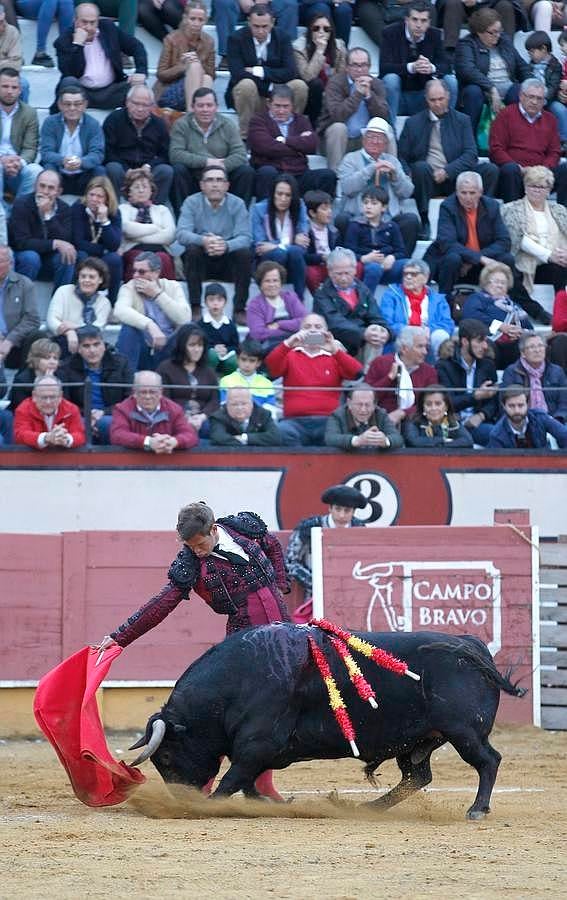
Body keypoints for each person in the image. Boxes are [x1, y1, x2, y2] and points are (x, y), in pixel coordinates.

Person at [93, 499, 291, 800]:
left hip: (284, 633)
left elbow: (273, 545)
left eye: (200, 544)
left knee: (269, 711)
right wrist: (120, 637)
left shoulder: (243, 527)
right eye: (190, 545)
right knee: (235, 713)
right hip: (245, 641)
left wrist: (281, 581)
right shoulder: (190, 563)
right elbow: (162, 604)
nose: (196, 551)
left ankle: (261, 785)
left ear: (214, 529)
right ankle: (204, 781)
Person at [398, 79, 499, 240]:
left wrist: (447, 171)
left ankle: (482, 219)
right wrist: (407, 172)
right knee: (420, 167)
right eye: (433, 100)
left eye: (441, 99)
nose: (437, 104)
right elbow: (401, 156)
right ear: (426, 99)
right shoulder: (413, 123)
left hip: (457, 177)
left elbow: (471, 154)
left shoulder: (462, 120)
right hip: (427, 180)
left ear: (448, 97)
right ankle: (425, 220)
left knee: (490, 170)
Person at [265, 311, 363, 446]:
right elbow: (271, 367)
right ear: (299, 331)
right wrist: (288, 343)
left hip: (329, 421)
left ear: (327, 332)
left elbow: (356, 372)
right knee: (280, 431)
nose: (312, 330)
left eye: (318, 327)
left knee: (342, 434)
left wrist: (335, 351)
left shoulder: (335, 355)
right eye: (307, 327)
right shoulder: (290, 355)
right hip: (294, 422)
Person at [423, 171, 517, 307]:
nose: (467, 197)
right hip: (454, 267)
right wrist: (479, 258)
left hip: (479, 266)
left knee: (507, 259)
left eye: (472, 193)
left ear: (480, 192)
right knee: (452, 258)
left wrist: (476, 259)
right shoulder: (448, 206)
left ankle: (507, 305)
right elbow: (447, 243)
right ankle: (444, 305)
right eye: (463, 192)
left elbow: (504, 241)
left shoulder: (491, 206)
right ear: (456, 192)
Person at [176, 164, 253, 323]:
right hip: (201, 261)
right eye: (210, 180)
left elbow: (245, 237)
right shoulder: (191, 202)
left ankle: (239, 309)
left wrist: (226, 245)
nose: (215, 184)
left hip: (227, 261)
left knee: (244, 253)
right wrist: (203, 241)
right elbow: (181, 234)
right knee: (192, 250)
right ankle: (196, 306)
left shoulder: (237, 204)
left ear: (227, 185)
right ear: (202, 185)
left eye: (219, 180)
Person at [337, 117, 419, 257]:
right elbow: (347, 188)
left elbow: (408, 191)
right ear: (363, 139)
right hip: (359, 216)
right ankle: (352, 262)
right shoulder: (350, 159)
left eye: (380, 138)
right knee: (342, 219)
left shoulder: (392, 161)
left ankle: (401, 262)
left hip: (387, 218)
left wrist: (394, 175)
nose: (375, 141)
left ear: (386, 143)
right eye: (371, 137)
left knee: (411, 220)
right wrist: (370, 169)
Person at [225, 4, 307, 141]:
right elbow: (237, 74)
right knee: (245, 84)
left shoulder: (283, 37)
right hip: (251, 97)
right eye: (256, 26)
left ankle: (290, 133)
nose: (261, 31)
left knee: (299, 86)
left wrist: (260, 71)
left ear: (272, 23)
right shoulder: (236, 39)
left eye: (265, 26)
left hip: (278, 97)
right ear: (249, 22)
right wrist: (270, 86)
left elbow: (290, 71)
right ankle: (246, 137)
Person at [169, 87, 255, 213]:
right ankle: (183, 216)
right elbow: (176, 154)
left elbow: (240, 155)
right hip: (193, 177)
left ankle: (238, 215)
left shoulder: (228, 125)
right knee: (177, 170)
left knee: (246, 172)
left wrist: (219, 168)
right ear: (193, 107)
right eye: (200, 105)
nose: (205, 110)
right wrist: (207, 162)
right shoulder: (182, 125)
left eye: (209, 105)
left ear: (216, 107)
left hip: (223, 178)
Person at [248, 83, 336, 201]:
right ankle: (266, 216)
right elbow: (265, 147)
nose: (281, 110)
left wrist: (284, 140)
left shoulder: (301, 121)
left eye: (286, 106)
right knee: (266, 172)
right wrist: (298, 146)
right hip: (273, 172)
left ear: (292, 106)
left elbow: (311, 145)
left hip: (299, 173)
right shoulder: (258, 120)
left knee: (328, 176)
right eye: (277, 106)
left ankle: (318, 215)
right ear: (269, 104)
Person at [54, 2, 148, 110]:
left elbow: (136, 46)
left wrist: (141, 71)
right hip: (80, 95)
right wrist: (78, 45)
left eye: (92, 22)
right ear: (75, 20)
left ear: (98, 21)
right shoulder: (64, 40)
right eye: (84, 22)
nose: (88, 27)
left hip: (111, 91)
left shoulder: (108, 28)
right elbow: (70, 73)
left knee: (139, 86)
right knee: (68, 83)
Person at [489, 78, 567, 206]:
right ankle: (514, 214)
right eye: (531, 97)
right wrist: (520, 168)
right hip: (516, 173)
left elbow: (554, 152)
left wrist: (543, 169)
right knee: (510, 169)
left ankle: (563, 216)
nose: (534, 102)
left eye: (539, 99)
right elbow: (496, 149)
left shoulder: (550, 119)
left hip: (542, 173)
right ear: (521, 96)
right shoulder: (505, 115)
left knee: (565, 169)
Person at [285, 483, 366, 601]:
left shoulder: (360, 530)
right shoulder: (310, 527)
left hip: (351, 593)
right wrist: (315, 583)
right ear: (330, 508)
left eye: (347, 510)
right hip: (315, 594)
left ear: (354, 512)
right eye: (338, 509)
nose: (341, 515)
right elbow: (291, 562)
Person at [454, 7, 530, 133]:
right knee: (473, 92)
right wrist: (491, 88)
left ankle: (518, 140)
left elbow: (521, 66)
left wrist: (531, 84)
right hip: (482, 92)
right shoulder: (467, 44)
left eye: (499, 31)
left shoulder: (504, 41)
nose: (497, 36)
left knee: (521, 91)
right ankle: (470, 139)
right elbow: (467, 70)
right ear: (479, 31)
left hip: (508, 89)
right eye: (492, 32)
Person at [379, 0, 457, 121]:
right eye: (414, 19)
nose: (419, 25)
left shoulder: (435, 34)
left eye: (423, 21)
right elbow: (384, 68)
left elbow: (447, 66)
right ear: (406, 20)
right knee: (390, 79)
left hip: (424, 98)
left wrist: (431, 68)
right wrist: (411, 67)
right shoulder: (390, 33)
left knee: (451, 81)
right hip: (398, 97)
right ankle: (391, 132)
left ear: (429, 22)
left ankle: (445, 127)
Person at [114, 250, 191, 371]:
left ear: (156, 273)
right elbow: (120, 310)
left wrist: (157, 294)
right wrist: (150, 325)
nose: (135, 276)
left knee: (189, 329)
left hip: (169, 347)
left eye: (141, 272)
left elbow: (184, 318)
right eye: (134, 271)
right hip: (143, 347)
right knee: (128, 329)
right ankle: (126, 383)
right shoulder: (129, 287)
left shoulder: (172, 286)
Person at [317, 46, 390, 171]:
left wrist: (369, 96)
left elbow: (384, 116)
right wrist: (357, 94)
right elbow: (337, 115)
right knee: (338, 128)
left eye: (364, 65)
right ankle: (335, 177)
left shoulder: (376, 84)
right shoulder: (335, 83)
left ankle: (390, 173)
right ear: (347, 67)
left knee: (387, 131)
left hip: (364, 140)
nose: (360, 69)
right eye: (355, 65)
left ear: (370, 66)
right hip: (337, 141)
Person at [58, 324, 133, 444]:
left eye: (96, 344)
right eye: (86, 346)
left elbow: (129, 399)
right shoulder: (66, 368)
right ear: (78, 349)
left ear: (104, 345)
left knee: (106, 423)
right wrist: (88, 414)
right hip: (79, 415)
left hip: (113, 413)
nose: (92, 350)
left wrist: (104, 412)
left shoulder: (121, 363)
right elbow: (64, 402)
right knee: (82, 425)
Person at [313, 247, 391, 361]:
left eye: (347, 273)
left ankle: (369, 378)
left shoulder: (363, 289)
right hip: (336, 339)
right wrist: (364, 333)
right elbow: (335, 323)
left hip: (360, 340)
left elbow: (376, 316)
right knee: (334, 344)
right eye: (338, 274)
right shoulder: (322, 293)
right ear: (329, 272)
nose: (343, 278)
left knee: (377, 335)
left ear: (355, 270)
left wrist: (385, 332)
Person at [103, 84, 173, 208]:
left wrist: (149, 167)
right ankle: (115, 209)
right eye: (136, 103)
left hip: (148, 171)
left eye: (145, 105)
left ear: (152, 106)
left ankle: (154, 210)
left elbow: (165, 154)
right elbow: (108, 151)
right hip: (122, 169)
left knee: (166, 171)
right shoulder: (114, 119)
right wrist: (126, 169)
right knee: (112, 168)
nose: (140, 109)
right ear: (127, 102)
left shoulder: (159, 124)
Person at [501, 166, 567, 298]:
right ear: (525, 188)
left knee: (561, 267)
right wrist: (549, 255)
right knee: (558, 269)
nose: (537, 190)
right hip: (527, 261)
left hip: (559, 259)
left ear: (549, 190)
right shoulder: (511, 209)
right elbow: (519, 239)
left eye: (542, 187)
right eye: (532, 185)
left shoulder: (560, 210)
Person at [436, 318, 500, 445]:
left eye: (486, 341)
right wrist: (475, 396)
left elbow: (494, 401)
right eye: (480, 341)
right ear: (465, 342)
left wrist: (481, 415)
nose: (485, 346)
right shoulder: (444, 366)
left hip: (479, 423)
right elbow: (446, 402)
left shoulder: (487, 364)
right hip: (451, 424)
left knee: (497, 435)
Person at [9, 170, 76, 291]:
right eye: (42, 186)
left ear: (59, 191)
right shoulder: (22, 204)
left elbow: (66, 239)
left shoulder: (64, 208)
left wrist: (48, 216)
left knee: (67, 255)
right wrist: (53, 243)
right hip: (23, 258)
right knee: (31, 257)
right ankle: (20, 299)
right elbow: (22, 242)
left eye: (51, 188)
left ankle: (59, 303)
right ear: (35, 186)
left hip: (48, 260)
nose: (45, 191)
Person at [461, 261, 533, 368]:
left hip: (512, 344)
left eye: (503, 283)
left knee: (527, 344)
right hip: (489, 339)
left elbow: (529, 327)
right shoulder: (478, 298)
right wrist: (500, 326)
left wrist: (519, 332)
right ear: (486, 282)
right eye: (496, 281)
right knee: (487, 346)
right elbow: (471, 316)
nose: (499, 285)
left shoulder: (514, 306)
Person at [379, 259, 455, 359]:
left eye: (413, 274)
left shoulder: (438, 299)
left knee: (440, 335)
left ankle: (438, 370)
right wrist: (413, 331)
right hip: (402, 337)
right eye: (405, 274)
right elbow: (387, 322)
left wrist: (429, 330)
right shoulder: (391, 295)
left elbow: (447, 323)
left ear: (425, 277)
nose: (408, 277)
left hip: (429, 337)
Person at [39, 84, 105, 196]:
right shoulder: (50, 123)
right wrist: (62, 160)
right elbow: (46, 153)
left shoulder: (93, 124)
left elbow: (97, 154)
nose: (72, 108)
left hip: (83, 173)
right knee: (48, 168)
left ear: (85, 105)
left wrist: (81, 162)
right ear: (59, 105)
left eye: (77, 104)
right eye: (67, 104)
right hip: (59, 172)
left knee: (99, 171)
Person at [110, 369, 199, 452]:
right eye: (143, 392)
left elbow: (190, 435)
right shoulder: (122, 409)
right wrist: (148, 442)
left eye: (152, 392)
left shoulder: (175, 409)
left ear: (160, 392)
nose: (148, 397)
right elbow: (117, 435)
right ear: (134, 392)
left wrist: (174, 442)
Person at [251, 174, 309, 300]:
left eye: (288, 195)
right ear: (273, 194)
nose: (283, 198)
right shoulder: (259, 209)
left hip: (293, 262)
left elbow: (303, 244)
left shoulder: (300, 206)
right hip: (266, 262)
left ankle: (299, 300)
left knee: (295, 252)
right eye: (279, 194)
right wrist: (291, 241)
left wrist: (277, 245)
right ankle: (273, 298)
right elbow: (260, 245)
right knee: (279, 254)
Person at [157, 322, 219, 438]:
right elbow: (163, 399)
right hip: (173, 418)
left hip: (202, 419)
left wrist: (202, 417)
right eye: (192, 345)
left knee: (211, 427)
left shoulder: (209, 371)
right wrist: (183, 417)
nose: (197, 350)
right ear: (182, 346)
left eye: (200, 346)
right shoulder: (165, 368)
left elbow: (214, 401)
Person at [366, 325, 438, 426]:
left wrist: (403, 413)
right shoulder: (380, 363)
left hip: (416, 422)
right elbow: (367, 398)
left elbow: (431, 403)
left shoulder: (429, 372)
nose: (425, 352)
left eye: (426, 347)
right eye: (420, 346)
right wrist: (389, 378)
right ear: (404, 349)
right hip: (379, 420)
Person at [344, 185, 410, 296]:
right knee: (374, 268)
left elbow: (401, 251)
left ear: (383, 207)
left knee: (410, 264)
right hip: (366, 267)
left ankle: (404, 302)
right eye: (365, 203)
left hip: (387, 266)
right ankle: (365, 305)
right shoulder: (355, 225)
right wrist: (364, 258)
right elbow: (348, 252)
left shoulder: (391, 226)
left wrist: (392, 257)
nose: (368, 207)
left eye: (374, 203)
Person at [154, 1, 214, 114]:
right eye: (193, 19)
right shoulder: (171, 39)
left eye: (200, 20)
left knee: (206, 77)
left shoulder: (209, 41)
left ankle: (197, 111)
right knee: (194, 66)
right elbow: (161, 74)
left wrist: (198, 64)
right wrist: (184, 67)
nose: (196, 23)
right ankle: (192, 114)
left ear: (205, 21)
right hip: (169, 92)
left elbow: (212, 74)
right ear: (185, 18)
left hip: (197, 90)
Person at [71, 174, 122, 305]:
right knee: (81, 255)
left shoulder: (114, 213)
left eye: (99, 196)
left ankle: (112, 304)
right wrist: (104, 250)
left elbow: (114, 245)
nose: (94, 199)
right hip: (85, 254)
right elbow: (78, 242)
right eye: (91, 194)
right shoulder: (78, 208)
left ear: (107, 199)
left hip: (103, 258)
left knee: (115, 259)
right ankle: (79, 300)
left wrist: (104, 221)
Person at [46, 256, 111, 357]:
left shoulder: (104, 302)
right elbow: (52, 320)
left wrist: (74, 327)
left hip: (89, 344)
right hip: (61, 340)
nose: (86, 280)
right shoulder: (64, 291)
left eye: (91, 277)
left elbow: (97, 330)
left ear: (100, 280)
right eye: (83, 276)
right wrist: (69, 332)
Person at [118, 168, 176, 281]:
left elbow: (169, 236)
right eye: (136, 187)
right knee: (138, 259)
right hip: (133, 250)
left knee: (162, 259)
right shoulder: (123, 208)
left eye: (144, 186)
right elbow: (127, 228)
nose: (141, 190)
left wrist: (137, 236)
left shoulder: (162, 210)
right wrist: (155, 228)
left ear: (151, 190)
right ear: (129, 191)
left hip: (160, 250)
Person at [293, 11, 347, 127]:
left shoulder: (339, 47)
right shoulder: (299, 48)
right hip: (309, 96)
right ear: (310, 30)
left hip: (331, 94)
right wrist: (320, 50)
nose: (321, 32)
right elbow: (308, 77)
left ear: (331, 31)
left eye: (326, 29)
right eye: (316, 28)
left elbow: (341, 77)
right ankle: (314, 125)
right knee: (316, 84)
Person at [0, 66, 42, 211]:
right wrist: (2, 161)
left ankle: (17, 214)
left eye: (14, 87)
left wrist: (19, 163)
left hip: (17, 166)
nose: (9, 91)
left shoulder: (29, 113)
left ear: (20, 90)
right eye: (5, 86)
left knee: (35, 170)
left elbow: (31, 148)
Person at [501, 332, 567, 422]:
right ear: (523, 353)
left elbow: (564, 402)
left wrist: (557, 419)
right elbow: (507, 402)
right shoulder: (511, 372)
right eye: (532, 347)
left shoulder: (557, 371)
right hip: (522, 420)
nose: (537, 350)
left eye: (540, 346)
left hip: (554, 419)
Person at [246, 260, 307, 353]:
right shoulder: (255, 305)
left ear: (281, 282)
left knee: (317, 339)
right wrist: (291, 332)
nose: (272, 285)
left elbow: (305, 321)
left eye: (275, 280)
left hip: (296, 340)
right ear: (260, 284)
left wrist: (280, 324)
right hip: (271, 345)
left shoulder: (290, 297)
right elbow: (258, 333)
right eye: (267, 281)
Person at [216, 0, 298, 69]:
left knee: (289, 5)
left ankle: (286, 54)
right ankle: (227, 55)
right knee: (224, 3)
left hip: (270, 4)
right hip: (236, 3)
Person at [324, 381, 404, 450]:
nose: (363, 409)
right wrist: (357, 440)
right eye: (359, 404)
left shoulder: (381, 414)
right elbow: (330, 439)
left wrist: (385, 441)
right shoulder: (337, 415)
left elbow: (398, 438)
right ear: (349, 403)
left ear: (374, 405)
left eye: (368, 405)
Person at [13, 373, 86, 448]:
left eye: (52, 397)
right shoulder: (23, 409)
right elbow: (20, 435)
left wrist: (66, 439)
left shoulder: (71, 409)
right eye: (44, 397)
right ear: (34, 396)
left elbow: (80, 435)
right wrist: (46, 437)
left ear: (60, 396)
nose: (48, 402)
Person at [488, 383, 567, 448]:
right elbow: (500, 465)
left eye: (520, 405)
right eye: (511, 406)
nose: (517, 411)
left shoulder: (540, 417)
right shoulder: (496, 434)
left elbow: (564, 435)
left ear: (528, 404)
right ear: (504, 406)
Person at [0, 245, 41, 371]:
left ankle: (22, 383)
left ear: (11, 263)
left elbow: (32, 319)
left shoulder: (24, 284)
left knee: (38, 336)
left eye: (0, 261)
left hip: (15, 344)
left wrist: (10, 340)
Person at [403, 384, 474, 448]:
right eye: (428, 404)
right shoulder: (413, 421)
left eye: (438, 404)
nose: (433, 408)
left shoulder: (453, 422)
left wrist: (442, 445)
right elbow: (413, 442)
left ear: (446, 406)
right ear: (423, 407)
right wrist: (443, 440)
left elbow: (468, 441)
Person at [210, 386, 282, 446]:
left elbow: (275, 437)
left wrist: (244, 438)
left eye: (244, 404)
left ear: (251, 404)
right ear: (227, 404)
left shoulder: (264, 414)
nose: (239, 408)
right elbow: (218, 438)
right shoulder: (218, 416)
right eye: (234, 404)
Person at [219, 338, 277, 410]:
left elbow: (270, 410)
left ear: (258, 363)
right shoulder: (226, 381)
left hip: (258, 420)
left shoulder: (267, 384)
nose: (247, 364)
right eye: (243, 359)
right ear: (237, 359)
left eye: (252, 361)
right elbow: (223, 407)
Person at [16, 0, 73, 68]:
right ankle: (40, 53)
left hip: (51, 4)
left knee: (67, 2)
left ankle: (66, 52)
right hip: (25, 4)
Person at [199, 282, 240, 375]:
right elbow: (199, 344)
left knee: (232, 361)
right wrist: (213, 348)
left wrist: (226, 350)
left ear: (225, 302)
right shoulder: (201, 325)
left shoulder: (230, 325)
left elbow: (235, 345)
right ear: (205, 302)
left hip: (226, 359)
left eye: (219, 300)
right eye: (211, 300)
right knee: (211, 355)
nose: (215, 303)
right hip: (207, 361)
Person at [9, 336, 60, 410]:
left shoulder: (61, 376)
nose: (52, 362)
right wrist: (43, 385)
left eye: (55, 358)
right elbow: (21, 408)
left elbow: (64, 405)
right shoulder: (22, 380)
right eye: (47, 358)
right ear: (35, 359)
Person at [304, 189, 338, 294]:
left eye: (330, 208)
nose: (329, 212)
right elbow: (305, 256)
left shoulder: (334, 231)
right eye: (324, 209)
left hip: (332, 267)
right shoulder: (305, 232)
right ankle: (320, 300)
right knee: (310, 273)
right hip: (316, 266)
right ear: (312, 213)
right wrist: (321, 257)